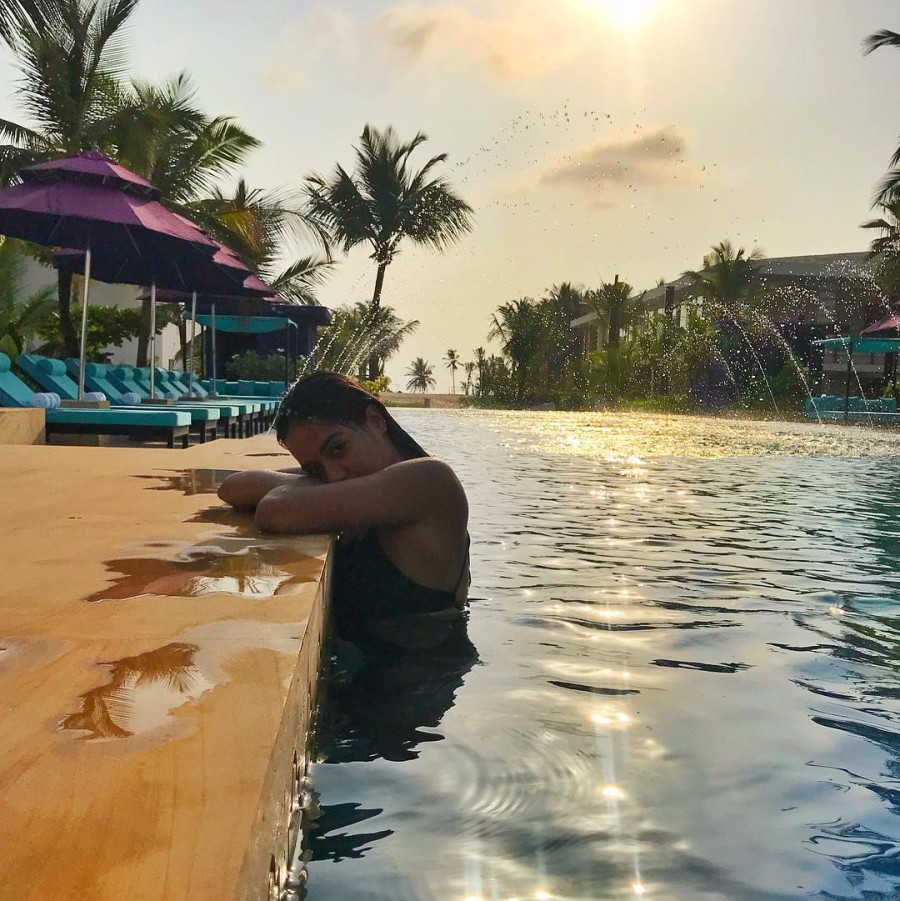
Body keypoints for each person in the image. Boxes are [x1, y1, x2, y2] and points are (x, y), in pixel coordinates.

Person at [217, 372, 473, 658]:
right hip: (372, 675)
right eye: (315, 468)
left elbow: (273, 509)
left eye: (338, 449)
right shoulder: (362, 485)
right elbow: (233, 487)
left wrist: (310, 486)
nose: (334, 476)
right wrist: (313, 481)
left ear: (376, 420)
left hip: (415, 687)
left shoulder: (430, 480)